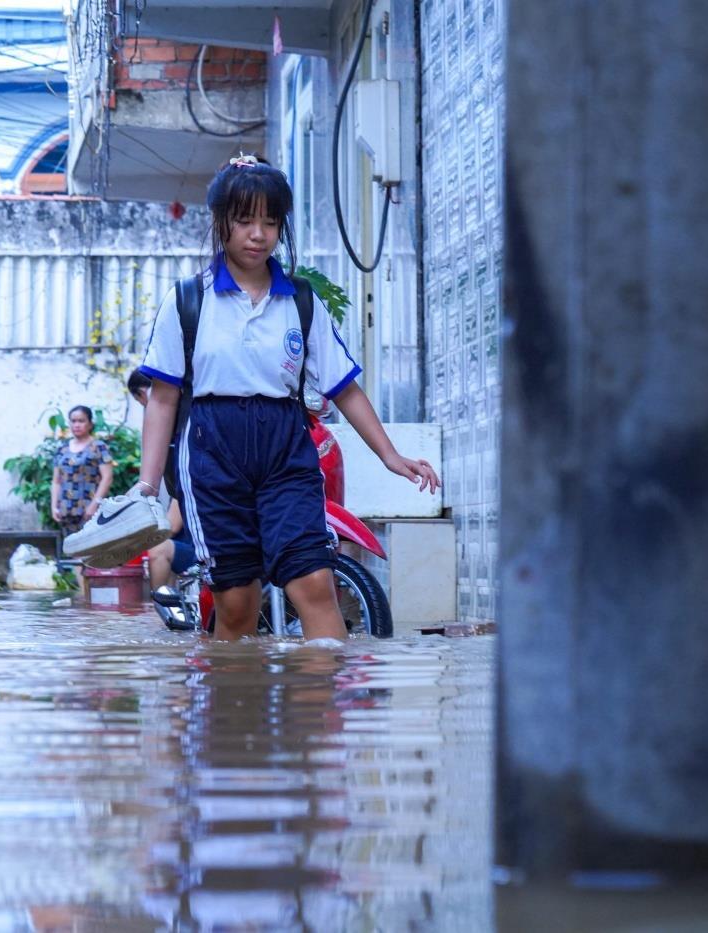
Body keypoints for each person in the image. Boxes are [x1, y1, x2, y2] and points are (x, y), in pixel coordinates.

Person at [133, 154, 440, 642]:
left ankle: (319, 715)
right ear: (221, 222)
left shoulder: (300, 300)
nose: (259, 234)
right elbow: (164, 399)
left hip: (285, 448)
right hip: (213, 449)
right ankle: (233, 712)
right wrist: (148, 486)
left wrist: (390, 456)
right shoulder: (188, 300)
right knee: (236, 602)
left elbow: (343, 387)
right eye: (245, 220)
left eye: (271, 222)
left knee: (314, 581)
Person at [127, 371, 196, 593]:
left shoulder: (184, 449)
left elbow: (171, 525)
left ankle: (160, 608)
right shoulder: (174, 443)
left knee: (158, 548)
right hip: (190, 542)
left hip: (202, 548)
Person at [49, 405, 114, 538]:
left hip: (89, 510)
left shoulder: (99, 447)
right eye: (73, 421)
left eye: (81, 421)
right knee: (72, 550)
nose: (76, 425)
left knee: (90, 551)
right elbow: (56, 481)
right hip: (66, 510)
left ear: (90, 424)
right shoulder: (62, 449)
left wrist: (94, 505)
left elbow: (107, 478)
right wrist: (54, 506)